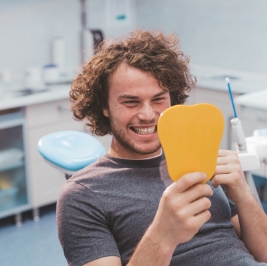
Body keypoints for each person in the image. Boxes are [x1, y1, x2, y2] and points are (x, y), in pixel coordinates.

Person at [56, 30, 267, 266]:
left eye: (158, 99)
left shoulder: (198, 159)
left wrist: (243, 194)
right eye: (130, 102)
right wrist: (163, 235)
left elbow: (264, 253)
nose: (147, 115)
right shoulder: (82, 194)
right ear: (104, 105)